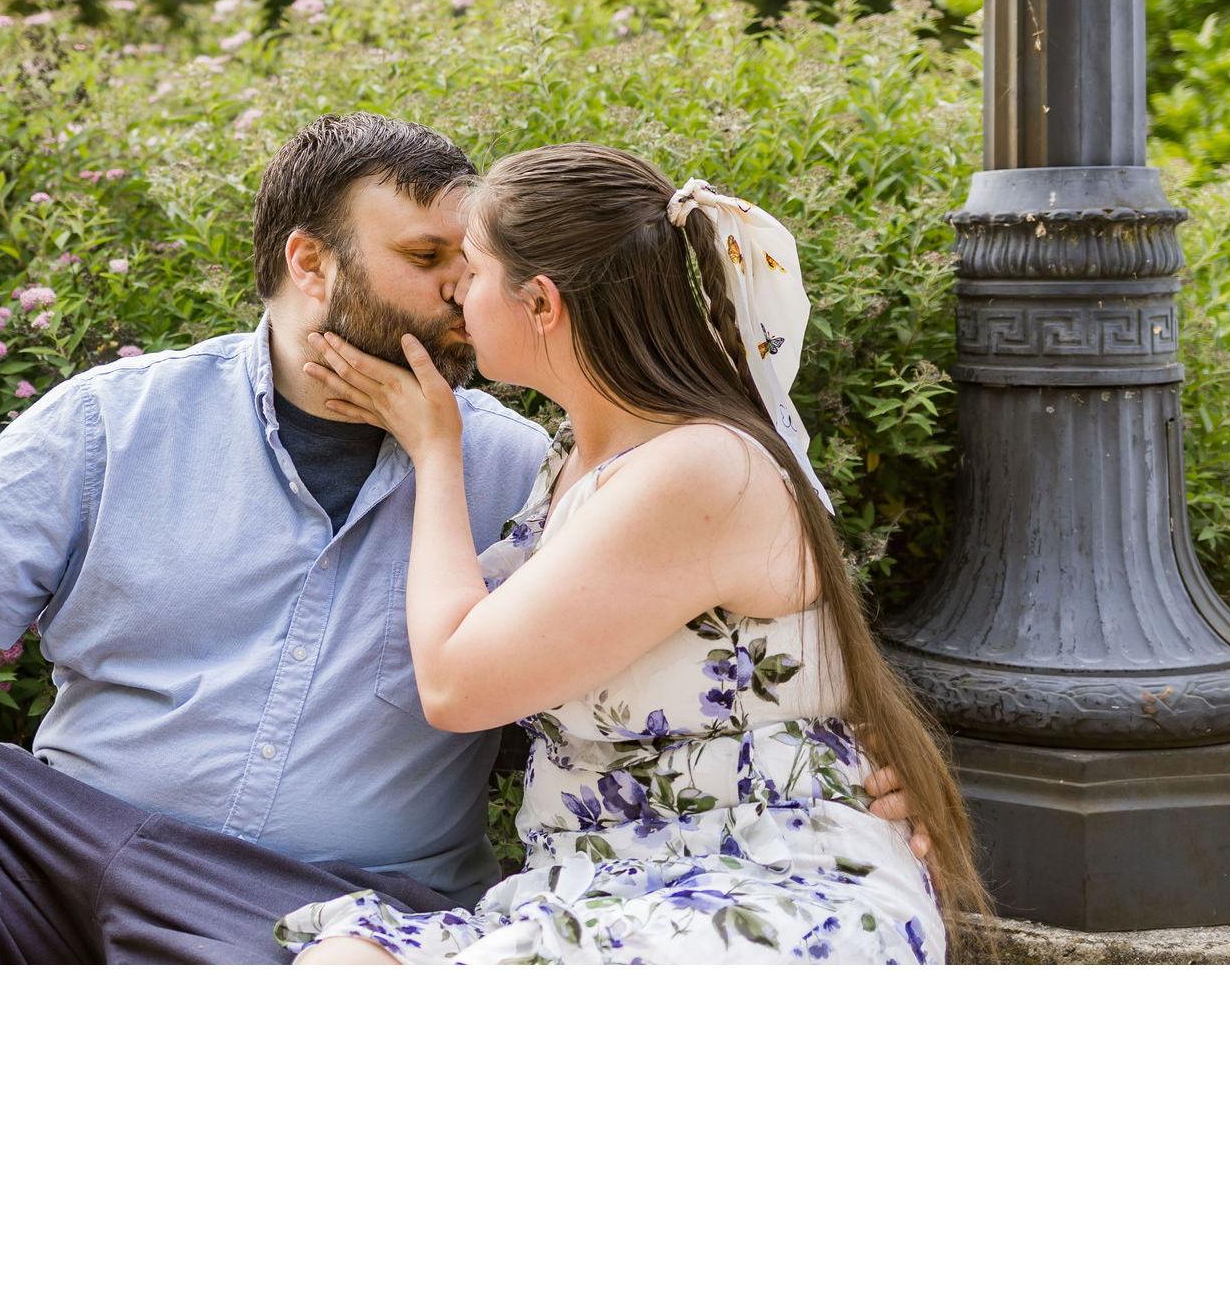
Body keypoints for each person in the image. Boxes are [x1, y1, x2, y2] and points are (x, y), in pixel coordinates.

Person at [0, 113, 922, 964]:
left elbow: (734, 639)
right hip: (74, 836)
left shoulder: (515, 462)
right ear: (310, 264)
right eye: (427, 256)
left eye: (467, 264)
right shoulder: (118, 421)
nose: (453, 289)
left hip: (309, 906)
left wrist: (856, 778)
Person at [279, 142, 982, 966]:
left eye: (469, 268)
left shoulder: (699, 470)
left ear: (540, 304)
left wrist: (436, 451)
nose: (454, 294)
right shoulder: (567, 464)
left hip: (759, 885)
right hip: (603, 884)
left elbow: (455, 683)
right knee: (344, 963)